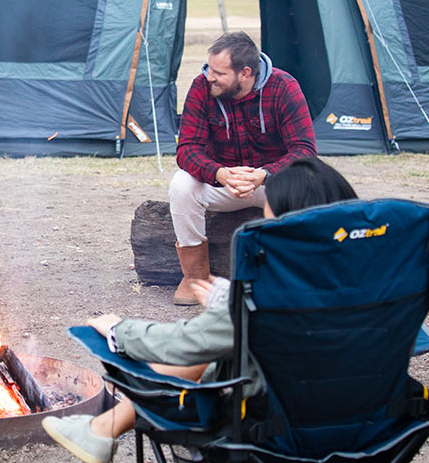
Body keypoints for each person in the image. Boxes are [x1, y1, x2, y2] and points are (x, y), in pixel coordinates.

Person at [42, 158, 357, 463]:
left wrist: (118, 329)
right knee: (219, 348)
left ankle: (101, 430)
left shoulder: (269, 293)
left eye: (268, 217)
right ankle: (101, 431)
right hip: (365, 426)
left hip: (275, 432)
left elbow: (184, 342)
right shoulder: (376, 285)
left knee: (205, 355)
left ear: (290, 225)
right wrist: (230, 305)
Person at [169, 31, 317, 305]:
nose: (209, 76)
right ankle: (195, 277)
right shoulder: (202, 87)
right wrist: (220, 174)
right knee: (181, 183)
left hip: (270, 185)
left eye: (218, 72)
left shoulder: (284, 87)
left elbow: (304, 151)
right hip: (222, 183)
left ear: (245, 73)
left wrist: (264, 174)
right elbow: (187, 148)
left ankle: (285, 279)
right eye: (208, 68)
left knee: (305, 181)